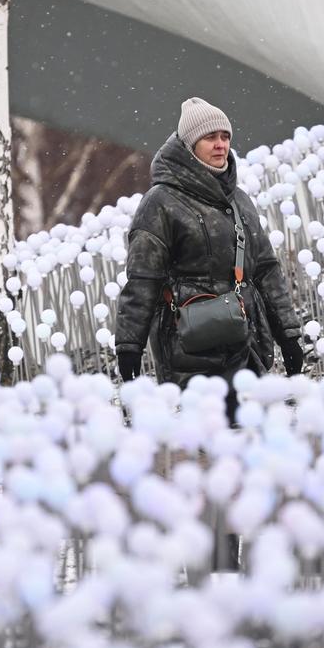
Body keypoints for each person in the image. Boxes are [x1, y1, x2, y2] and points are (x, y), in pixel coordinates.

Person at [115, 97, 304, 425]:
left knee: (254, 434)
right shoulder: (160, 203)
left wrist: (287, 333)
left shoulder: (239, 200)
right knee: (214, 438)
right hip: (191, 348)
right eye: (210, 137)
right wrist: (129, 346)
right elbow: (143, 280)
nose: (220, 145)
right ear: (189, 145)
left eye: (225, 136)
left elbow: (265, 269)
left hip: (247, 343)